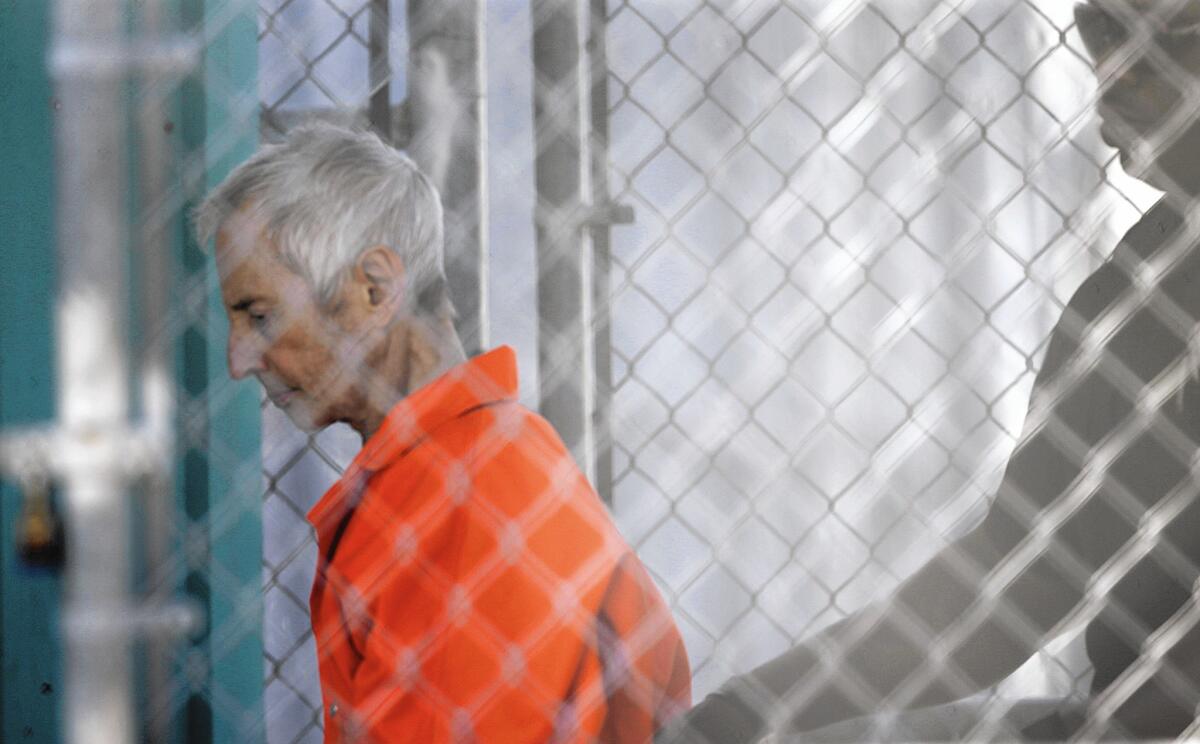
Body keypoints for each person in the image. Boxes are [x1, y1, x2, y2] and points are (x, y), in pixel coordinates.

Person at [661, 1, 1200, 741]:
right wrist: (742, 714)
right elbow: (1024, 575)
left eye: (1141, 40)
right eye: (1096, 33)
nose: (1107, 77)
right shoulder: (1149, 284)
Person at [194, 123, 691, 743]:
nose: (239, 360)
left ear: (374, 287)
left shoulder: (459, 501)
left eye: (260, 317)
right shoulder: (468, 463)